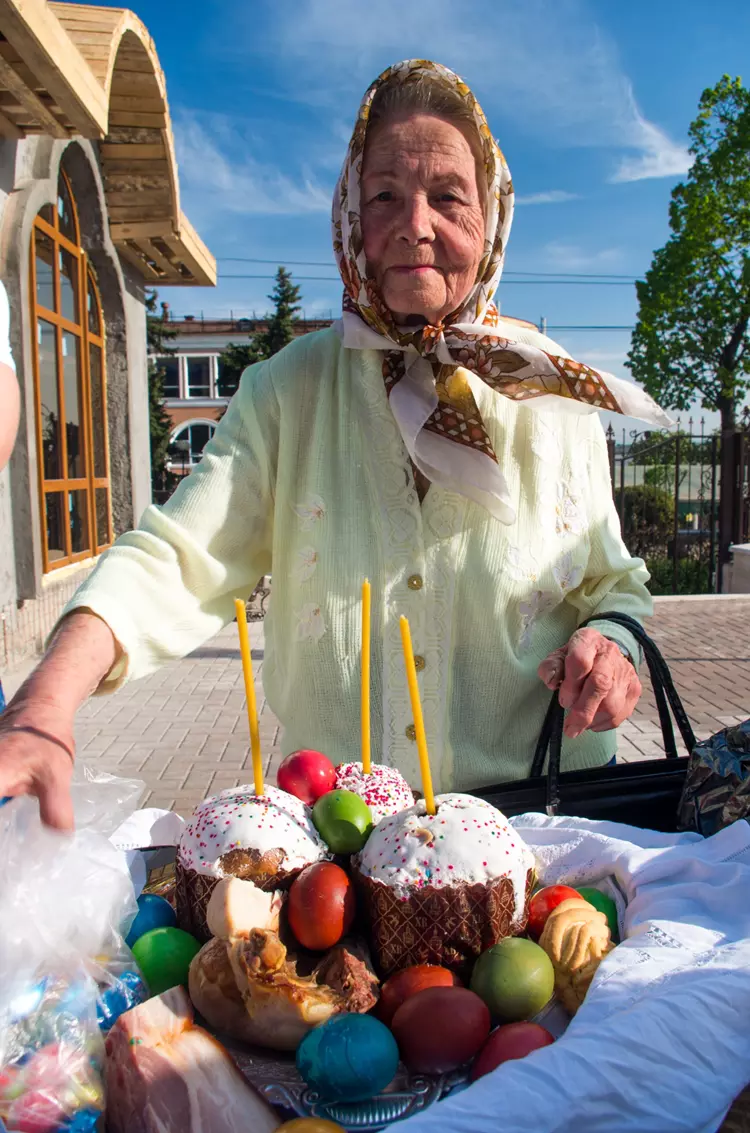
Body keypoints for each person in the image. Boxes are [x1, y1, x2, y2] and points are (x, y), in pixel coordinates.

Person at [0, 60, 670, 831]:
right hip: (342, 843)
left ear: (491, 218)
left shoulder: (553, 396)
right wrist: (45, 702)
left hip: (545, 830)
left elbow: (613, 584)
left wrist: (611, 645)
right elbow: (178, 557)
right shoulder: (288, 392)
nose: (416, 224)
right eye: (385, 195)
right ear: (351, 214)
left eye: (448, 196)